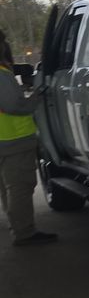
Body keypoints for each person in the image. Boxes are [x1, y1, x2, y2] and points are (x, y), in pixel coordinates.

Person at [0, 29, 57, 246]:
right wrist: (35, 97)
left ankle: (17, 226)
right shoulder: (1, 73)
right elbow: (13, 105)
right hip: (13, 141)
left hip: (4, 141)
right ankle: (24, 232)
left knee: (8, 188)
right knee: (19, 187)